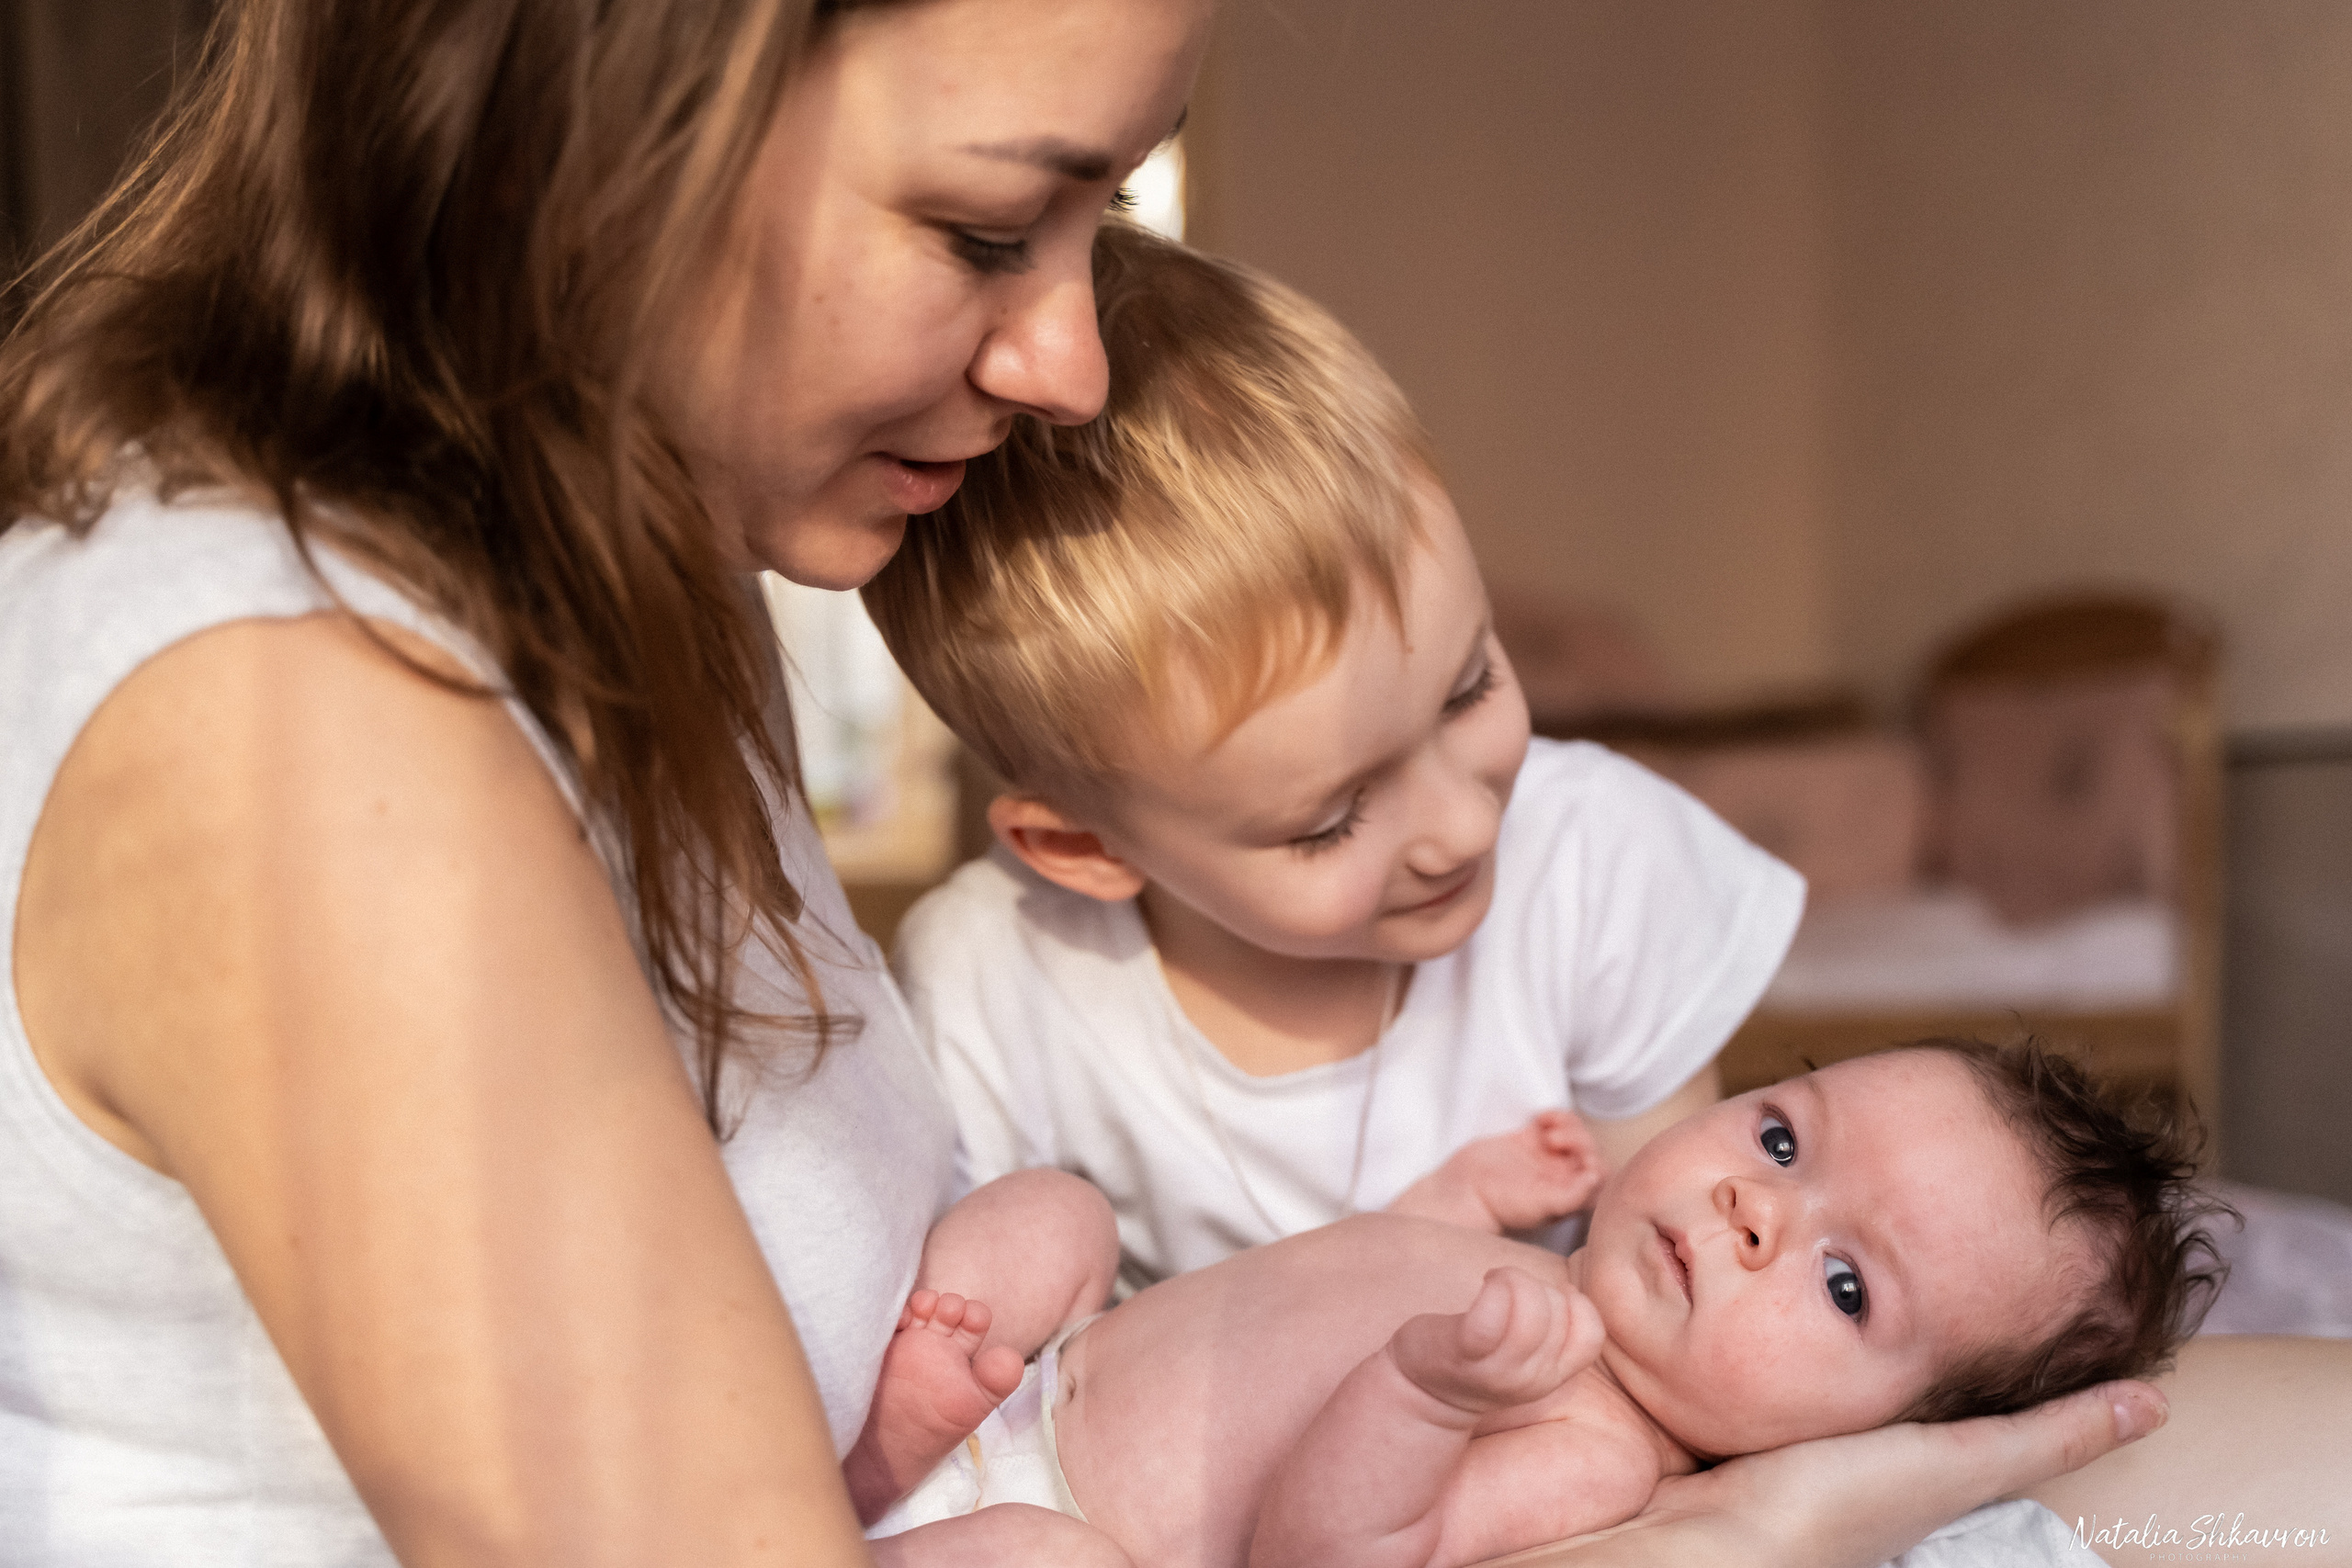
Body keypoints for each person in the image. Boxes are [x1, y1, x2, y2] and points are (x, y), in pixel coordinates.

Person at [0, 0, 2309, 1562]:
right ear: (604, 125)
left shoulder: (612, 601)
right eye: (994, 225)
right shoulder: (304, 727)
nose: (1072, 355)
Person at [865, 223, 1804, 1291]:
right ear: (1083, 845)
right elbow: (1001, 1387)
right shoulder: (1000, 981)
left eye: (1468, 689)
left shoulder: (1596, 864)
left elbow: (1687, 1309)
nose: (1461, 826)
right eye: (1330, 820)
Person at [846, 1041, 2220, 1567]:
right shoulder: (1552, 1279)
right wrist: (1457, 1191)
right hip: (1052, 1363)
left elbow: (1324, 1554)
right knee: (1057, 1207)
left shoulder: (1595, 1448)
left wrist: (1428, 1392)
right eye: (1783, 1139)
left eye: (1845, 1281)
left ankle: (854, 1508)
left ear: (1864, 1429)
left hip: (1058, 1516)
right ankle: (887, 1420)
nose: (1755, 1206)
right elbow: (1348, 1260)